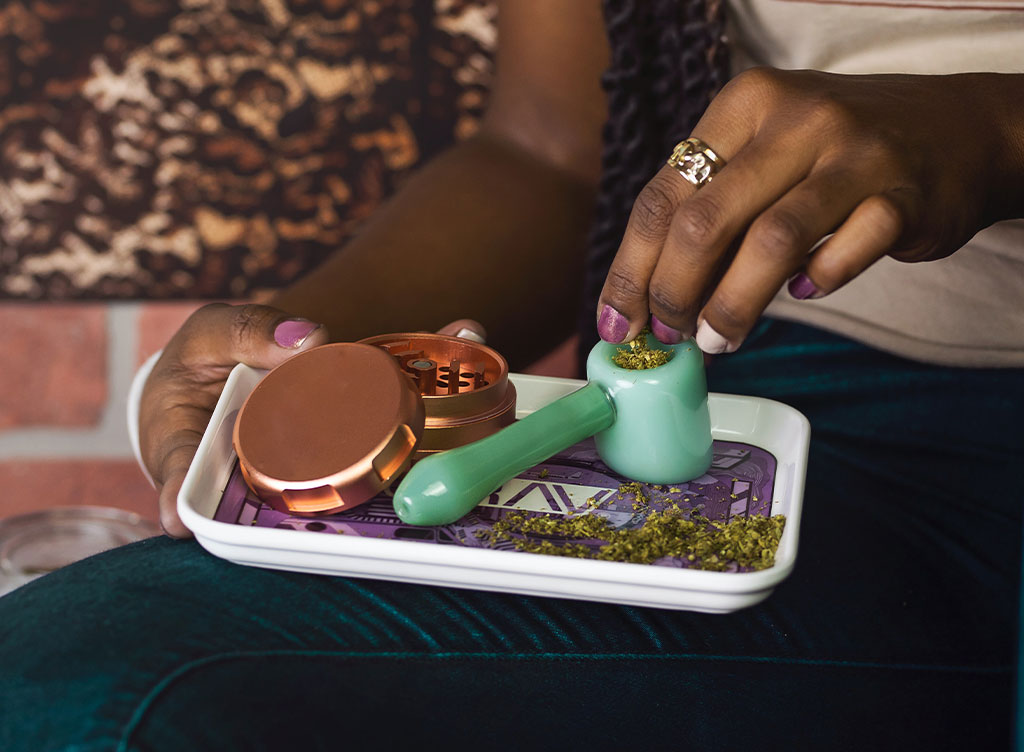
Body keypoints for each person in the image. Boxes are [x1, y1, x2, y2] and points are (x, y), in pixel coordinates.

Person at [2, 1, 1022, 749]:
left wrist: (997, 131)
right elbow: (546, 152)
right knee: (75, 690)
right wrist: (299, 373)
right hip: (790, 413)